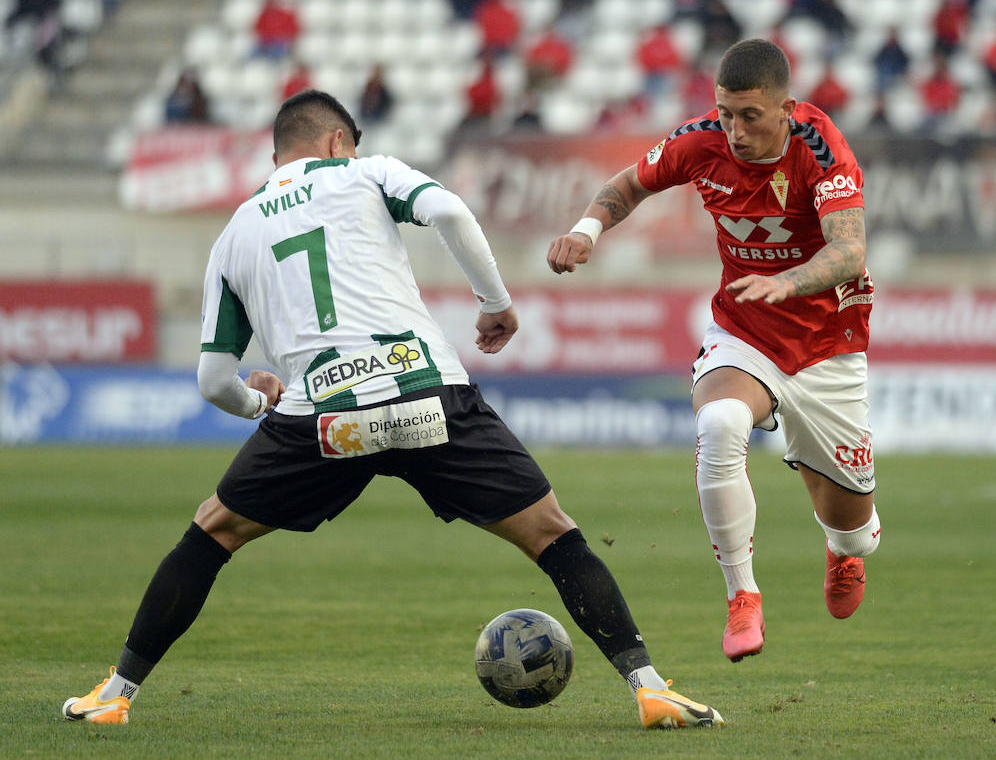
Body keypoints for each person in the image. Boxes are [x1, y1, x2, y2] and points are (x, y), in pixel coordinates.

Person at [60, 90, 722, 731]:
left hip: (324, 419)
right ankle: (651, 690)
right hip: (426, 394)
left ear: (277, 156)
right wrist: (495, 303)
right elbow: (454, 215)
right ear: (337, 142)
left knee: (211, 533)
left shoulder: (235, 234)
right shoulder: (366, 173)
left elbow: (212, 380)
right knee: (553, 535)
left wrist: (261, 399)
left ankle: (115, 694)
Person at [547, 39, 879, 662]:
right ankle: (742, 596)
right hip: (745, 331)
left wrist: (787, 281)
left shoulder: (820, 147)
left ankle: (843, 550)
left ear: (785, 109)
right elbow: (627, 184)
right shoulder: (700, 141)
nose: (734, 129)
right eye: (725, 112)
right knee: (722, 421)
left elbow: (849, 251)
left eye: (750, 115)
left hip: (828, 344)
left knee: (857, 532)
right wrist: (585, 230)